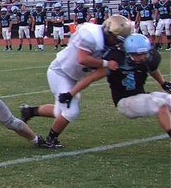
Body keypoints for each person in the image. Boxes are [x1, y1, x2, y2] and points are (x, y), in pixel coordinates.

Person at [20, 15, 133, 148]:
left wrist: (71, 93)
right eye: (117, 39)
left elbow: (92, 77)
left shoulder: (114, 50)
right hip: (60, 71)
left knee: (60, 112)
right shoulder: (92, 35)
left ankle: (30, 111)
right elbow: (82, 59)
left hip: (75, 76)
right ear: (109, 33)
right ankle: (51, 139)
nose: (119, 43)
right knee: (70, 112)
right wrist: (106, 63)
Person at [61, 34, 171, 136]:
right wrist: (70, 94)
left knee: (169, 99)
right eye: (138, 54)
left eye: (144, 53)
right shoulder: (116, 62)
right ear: (128, 53)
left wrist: (163, 83)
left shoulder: (147, 60)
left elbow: (152, 69)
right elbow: (91, 78)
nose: (143, 57)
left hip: (141, 96)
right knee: (161, 104)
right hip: (125, 101)